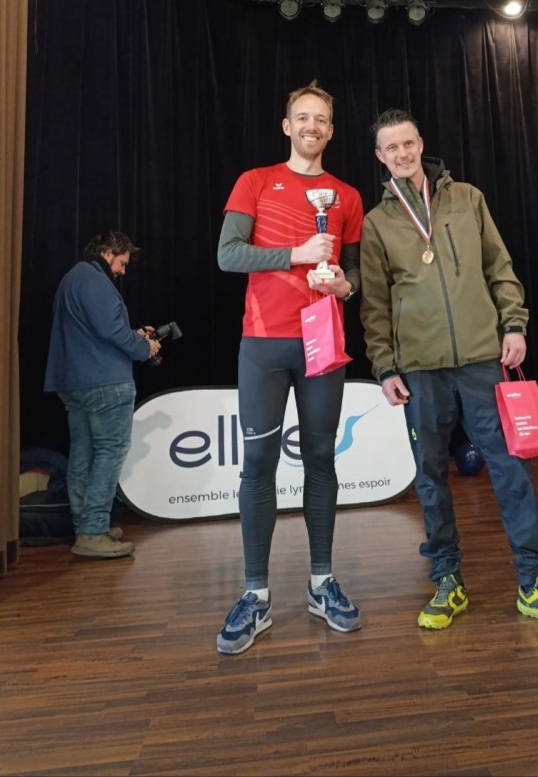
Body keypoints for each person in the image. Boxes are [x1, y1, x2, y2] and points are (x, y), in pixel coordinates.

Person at [359, 108, 538, 632]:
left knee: (512, 469)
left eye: (408, 143)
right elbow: (374, 304)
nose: (402, 153)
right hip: (420, 369)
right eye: (391, 148)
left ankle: (534, 583)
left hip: (484, 359)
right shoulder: (377, 223)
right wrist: (385, 366)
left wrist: (514, 323)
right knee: (430, 476)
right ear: (380, 156)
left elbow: (498, 266)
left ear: (421, 144)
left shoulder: (467, 198)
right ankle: (447, 579)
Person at [216, 80, 364, 656]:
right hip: (263, 343)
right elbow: (228, 254)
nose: (311, 127)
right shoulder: (255, 181)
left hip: (322, 343)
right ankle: (255, 593)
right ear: (287, 126)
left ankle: (322, 582)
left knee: (322, 459)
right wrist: (297, 254)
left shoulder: (346, 196)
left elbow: (353, 274)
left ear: (331, 130)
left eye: (320, 119)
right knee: (258, 463)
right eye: (302, 117)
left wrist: (344, 285)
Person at [44, 231, 161, 559]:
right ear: (109, 252)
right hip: (104, 381)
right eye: (122, 263)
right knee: (110, 452)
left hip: (75, 381)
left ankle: (86, 526)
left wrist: (133, 335)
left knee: (83, 454)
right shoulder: (95, 280)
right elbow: (111, 331)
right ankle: (94, 531)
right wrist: (145, 347)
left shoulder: (74, 278)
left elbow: (98, 331)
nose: (122, 271)